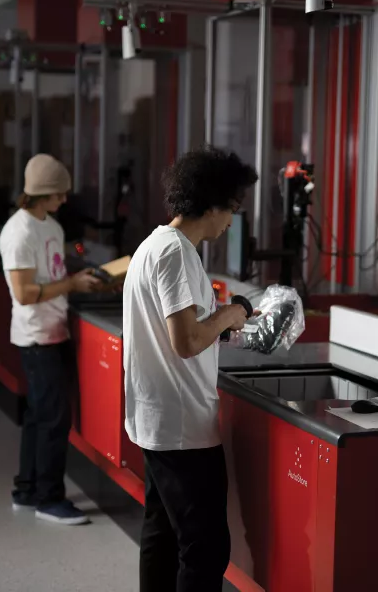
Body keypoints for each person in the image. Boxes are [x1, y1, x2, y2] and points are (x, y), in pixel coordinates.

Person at [123, 146, 258, 592]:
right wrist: (231, 314)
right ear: (213, 204)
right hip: (183, 429)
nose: (230, 222)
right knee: (205, 549)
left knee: (162, 537)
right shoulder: (177, 254)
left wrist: (216, 319)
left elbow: (179, 331)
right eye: (232, 210)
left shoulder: (153, 245)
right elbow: (186, 342)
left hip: (157, 420)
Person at [0, 154, 100, 525]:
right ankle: (49, 499)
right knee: (54, 418)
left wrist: (77, 277)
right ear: (44, 193)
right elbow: (24, 293)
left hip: (55, 331)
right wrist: (71, 284)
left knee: (40, 417)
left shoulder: (51, 228)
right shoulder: (18, 233)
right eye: (60, 193)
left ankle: (26, 490)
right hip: (36, 336)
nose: (65, 199)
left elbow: (52, 273)